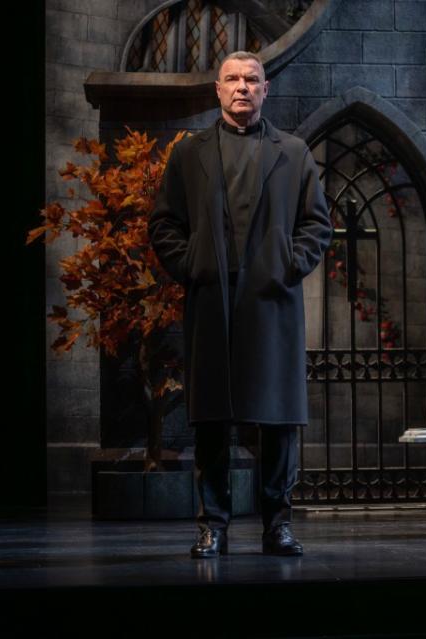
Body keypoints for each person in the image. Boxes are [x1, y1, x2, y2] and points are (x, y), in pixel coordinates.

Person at [148, 51, 333, 557]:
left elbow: (317, 224)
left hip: (271, 300)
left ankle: (277, 525)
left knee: (275, 419)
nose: (242, 87)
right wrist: (192, 265)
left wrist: (287, 264)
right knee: (211, 420)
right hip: (213, 299)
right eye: (232, 79)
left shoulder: (293, 153)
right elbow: (164, 224)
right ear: (217, 90)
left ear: (265, 89)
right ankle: (213, 526)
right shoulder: (189, 154)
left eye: (252, 79)